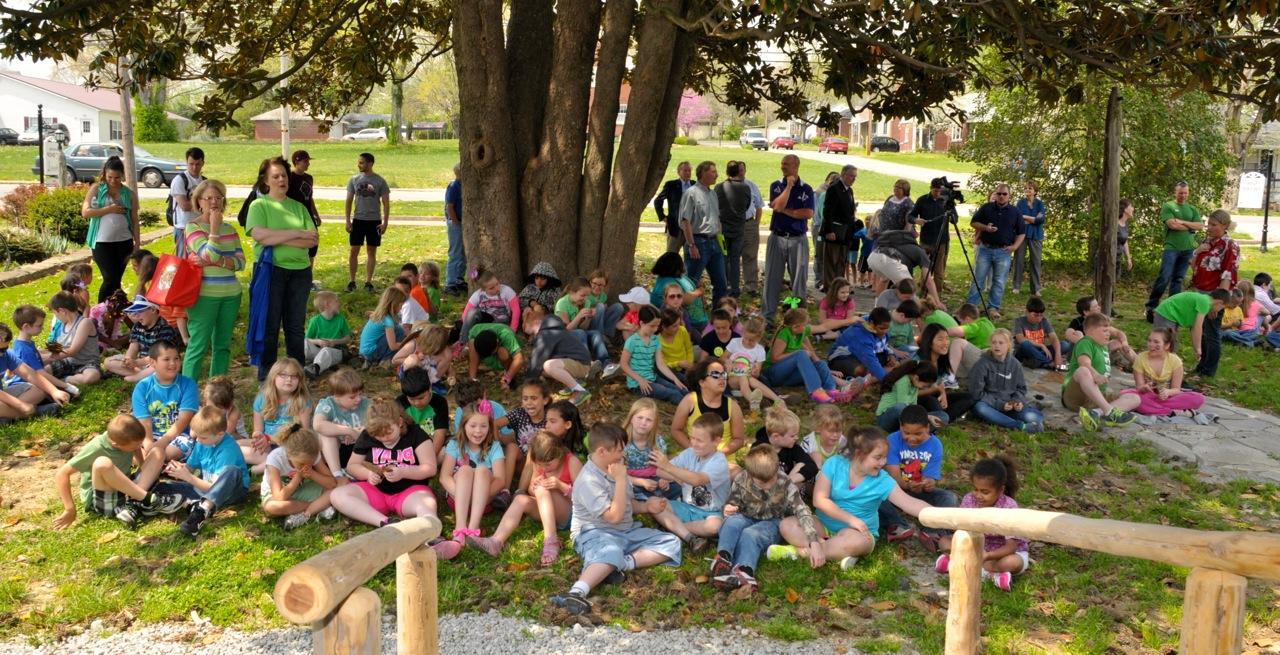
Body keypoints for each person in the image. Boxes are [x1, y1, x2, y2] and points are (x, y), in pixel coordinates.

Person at [549, 423, 681, 616]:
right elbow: (613, 516)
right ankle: (577, 592)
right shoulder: (588, 480)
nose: (623, 455)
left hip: (627, 530)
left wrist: (646, 506)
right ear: (602, 451)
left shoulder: (616, 468)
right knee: (610, 551)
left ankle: (624, 563)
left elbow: (625, 504)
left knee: (672, 542)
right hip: (595, 533)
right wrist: (621, 479)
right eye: (619, 450)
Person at [769, 426, 936, 569]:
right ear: (858, 454)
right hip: (824, 526)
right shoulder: (834, 464)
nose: (883, 462)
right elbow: (819, 500)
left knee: (856, 542)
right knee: (787, 525)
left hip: (858, 533)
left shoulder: (882, 480)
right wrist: (850, 519)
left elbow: (910, 503)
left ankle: (800, 552)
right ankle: (833, 551)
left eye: (884, 457)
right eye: (877, 457)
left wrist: (942, 514)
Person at [330, 397, 461, 560]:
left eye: (388, 432)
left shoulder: (416, 434)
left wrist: (404, 472)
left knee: (427, 503)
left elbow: (430, 468)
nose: (384, 438)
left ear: (399, 422)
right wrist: (368, 474)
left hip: (409, 492)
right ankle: (387, 523)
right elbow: (352, 466)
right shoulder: (368, 435)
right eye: (378, 436)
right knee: (337, 495)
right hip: (376, 492)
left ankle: (433, 537)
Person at [710, 443, 824, 592]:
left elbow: (802, 510)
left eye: (771, 479)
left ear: (777, 469)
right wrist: (729, 508)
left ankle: (744, 571)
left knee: (750, 534)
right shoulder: (741, 479)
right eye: (762, 483)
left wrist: (813, 542)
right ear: (750, 475)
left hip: (774, 522)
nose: (768, 486)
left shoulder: (785, 483)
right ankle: (723, 560)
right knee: (731, 523)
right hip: (746, 515)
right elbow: (732, 502)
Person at [246, 156, 319, 381]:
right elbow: (260, 235)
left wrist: (276, 237)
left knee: (295, 326)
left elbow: (312, 240)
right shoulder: (259, 205)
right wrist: (297, 233)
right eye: (275, 176)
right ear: (266, 181)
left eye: (284, 175)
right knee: (270, 323)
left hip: (300, 273)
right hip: (271, 272)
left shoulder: (298, 207)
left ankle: (294, 373)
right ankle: (267, 374)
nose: (281, 180)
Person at [467, 429, 582, 566]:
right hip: (550, 513)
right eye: (540, 465)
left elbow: (585, 497)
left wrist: (561, 486)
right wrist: (534, 486)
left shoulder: (571, 462)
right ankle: (496, 541)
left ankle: (551, 540)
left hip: (571, 513)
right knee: (520, 499)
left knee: (541, 488)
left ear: (560, 454)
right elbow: (531, 490)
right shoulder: (538, 461)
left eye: (548, 464)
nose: (544, 469)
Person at [52, 414, 185, 530]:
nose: (139, 447)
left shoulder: (126, 440)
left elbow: (138, 452)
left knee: (158, 452)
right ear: (116, 445)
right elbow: (62, 474)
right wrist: (70, 509)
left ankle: (135, 503)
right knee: (102, 463)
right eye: (135, 446)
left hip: (127, 490)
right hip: (104, 498)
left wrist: (145, 470)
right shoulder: (96, 447)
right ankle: (147, 499)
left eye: (140, 443)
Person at [182, 179, 245, 381]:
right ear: (199, 201)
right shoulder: (192, 228)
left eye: (218, 197)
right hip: (204, 296)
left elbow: (241, 262)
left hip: (231, 295)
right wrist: (214, 230)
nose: (214, 202)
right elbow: (209, 253)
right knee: (198, 346)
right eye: (208, 198)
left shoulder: (231, 229)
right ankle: (187, 396)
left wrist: (218, 261)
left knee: (222, 346)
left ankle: (217, 393)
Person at [935, 457, 1029, 592]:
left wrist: (987, 556)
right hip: (976, 548)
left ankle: (961, 566)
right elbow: (961, 530)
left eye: (985, 492)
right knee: (944, 541)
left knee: (1012, 562)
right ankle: (988, 573)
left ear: (1000, 490)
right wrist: (966, 548)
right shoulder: (969, 499)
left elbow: (1011, 546)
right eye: (975, 489)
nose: (978, 495)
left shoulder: (1009, 507)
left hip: (1002, 553)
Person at [878, 405, 957, 548]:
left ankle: (931, 531)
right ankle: (897, 524)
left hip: (918, 492)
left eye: (918, 433)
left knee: (949, 498)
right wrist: (907, 485)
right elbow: (893, 474)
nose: (912, 438)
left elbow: (930, 477)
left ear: (928, 427)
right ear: (900, 427)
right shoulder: (892, 440)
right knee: (874, 494)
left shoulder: (935, 445)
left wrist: (928, 483)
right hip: (894, 490)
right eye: (906, 433)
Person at [164, 406, 250, 537]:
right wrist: (177, 470)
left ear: (220, 434)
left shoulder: (228, 450)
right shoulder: (202, 443)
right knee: (164, 487)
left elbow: (214, 488)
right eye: (197, 436)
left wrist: (189, 478)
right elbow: (190, 468)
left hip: (230, 492)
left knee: (232, 471)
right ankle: (192, 504)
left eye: (203, 437)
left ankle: (201, 511)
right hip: (203, 488)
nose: (198, 440)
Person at [440, 401, 507, 544]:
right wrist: (464, 495)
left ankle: (473, 528)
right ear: (463, 426)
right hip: (457, 499)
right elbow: (444, 477)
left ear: (490, 427)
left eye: (483, 426)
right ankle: (460, 527)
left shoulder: (494, 447)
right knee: (465, 470)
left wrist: (480, 496)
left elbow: (501, 480)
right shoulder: (455, 445)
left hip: (484, 501)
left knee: (482, 470)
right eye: (473, 425)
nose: (478, 431)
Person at [763, 154, 816, 323]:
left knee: (799, 280)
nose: (782, 167)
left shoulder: (806, 189)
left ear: (796, 166)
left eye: (786, 164)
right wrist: (788, 187)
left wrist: (787, 211)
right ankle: (768, 318)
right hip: (777, 237)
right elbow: (777, 205)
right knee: (772, 278)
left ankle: (796, 318)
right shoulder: (776, 185)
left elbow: (808, 213)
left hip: (798, 239)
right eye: (782, 163)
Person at [1186, 209, 1239, 378]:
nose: (1209, 227)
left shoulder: (1230, 245)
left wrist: (1219, 301)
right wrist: (1199, 251)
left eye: (1214, 225)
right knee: (1199, 329)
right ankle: (1201, 365)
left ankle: (1209, 370)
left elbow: (1228, 274)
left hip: (1214, 295)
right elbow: (1193, 265)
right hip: (1200, 291)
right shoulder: (1208, 241)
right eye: (1209, 224)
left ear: (1224, 225)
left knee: (1211, 332)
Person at [1065, 314, 1141, 430]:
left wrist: (1123, 343)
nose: (1108, 334)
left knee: (1135, 398)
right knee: (1083, 371)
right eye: (1105, 331)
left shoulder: (1103, 346)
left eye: (1108, 331)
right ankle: (1109, 412)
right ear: (1091, 331)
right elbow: (1084, 363)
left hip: (1097, 398)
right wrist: (1095, 375)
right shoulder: (1086, 342)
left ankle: (1096, 413)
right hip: (1076, 396)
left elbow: (1119, 335)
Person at [82, 156, 140, 303]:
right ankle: (101, 311)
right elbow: (86, 212)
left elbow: (134, 219)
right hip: (102, 242)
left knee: (116, 279)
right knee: (110, 278)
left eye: (117, 177)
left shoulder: (129, 194)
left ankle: (114, 312)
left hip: (124, 242)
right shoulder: (96, 189)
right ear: (104, 174)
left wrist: (137, 243)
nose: (113, 181)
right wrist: (109, 209)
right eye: (110, 177)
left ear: (122, 176)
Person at [1145, 182, 1205, 323]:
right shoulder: (1168, 206)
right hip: (1171, 248)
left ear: (1188, 193)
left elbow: (1200, 226)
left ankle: (1172, 310)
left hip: (1187, 249)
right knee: (1164, 277)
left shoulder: (1192, 209)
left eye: (1185, 193)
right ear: (1175, 192)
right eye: (1180, 193)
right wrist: (1191, 227)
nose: (1183, 195)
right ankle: (1151, 307)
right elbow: (1172, 224)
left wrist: (1182, 222)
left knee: (1178, 279)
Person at [130, 340, 199, 460]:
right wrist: (148, 444)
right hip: (148, 434)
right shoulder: (142, 387)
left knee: (171, 452)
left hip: (177, 435)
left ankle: (151, 461)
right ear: (153, 362)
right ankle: (151, 460)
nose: (173, 363)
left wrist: (162, 443)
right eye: (166, 359)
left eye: (176, 358)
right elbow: (144, 422)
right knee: (124, 444)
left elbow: (184, 419)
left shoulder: (188, 384)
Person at [260, 425, 339, 530]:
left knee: (339, 485)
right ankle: (318, 507)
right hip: (278, 496)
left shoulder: (311, 453)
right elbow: (279, 497)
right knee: (271, 507)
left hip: (302, 490)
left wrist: (312, 473)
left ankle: (306, 513)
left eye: (310, 463)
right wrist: (297, 477)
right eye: (301, 464)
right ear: (289, 455)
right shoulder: (275, 458)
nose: (306, 466)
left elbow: (332, 483)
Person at [768, 308, 849, 404]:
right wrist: (797, 353)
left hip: (789, 377)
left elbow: (824, 327)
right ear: (795, 327)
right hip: (774, 375)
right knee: (801, 354)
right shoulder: (784, 334)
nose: (806, 327)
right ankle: (816, 391)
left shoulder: (801, 332)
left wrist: (849, 321)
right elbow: (775, 358)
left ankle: (831, 390)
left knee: (820, 363)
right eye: (805, 325)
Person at [969, 329, 1043, 432]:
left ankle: (1007, 418)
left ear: (1008, 345)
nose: (996, 346)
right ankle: (1020, 426)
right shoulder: (982, 364)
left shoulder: (1015, 364)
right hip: (990, 405)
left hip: (1010, 405)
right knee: (980, 408)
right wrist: (999, 405)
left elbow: (1021, 389)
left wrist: (1017, 401)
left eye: (1001, 343)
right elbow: (976, 393)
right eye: (994, 342)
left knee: (1034, 417)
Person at [245, 358, 313, 470]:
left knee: (289, 454)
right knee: (235, 444)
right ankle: (269, 462)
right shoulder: (262, 398)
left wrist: (270, 439)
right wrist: (258, 436)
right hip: (266, 443)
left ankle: (255, 470)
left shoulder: (302, 401)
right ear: (273, 377)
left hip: (289, 446)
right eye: (283, 375)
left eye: (294, 376)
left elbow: (303, 434)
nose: (289, 379)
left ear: (300, 380)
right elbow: (257, 429)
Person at [1120, 328, 1207, 416]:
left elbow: (1176, 389)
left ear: (1167, 345)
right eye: (1149, 341)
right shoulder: (1140, 358)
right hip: (1147, 397)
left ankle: (1156, 409)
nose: (1151, 345)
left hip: (1168, 398)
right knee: (1130, 396)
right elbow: (1139, 387)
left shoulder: (1175, 361)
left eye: (1156, 342)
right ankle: (1171, 412)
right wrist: (1145, 387)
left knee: (1198, 398)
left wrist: (1167, 392)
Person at [669, 359, 747, 455]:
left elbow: (739, 439)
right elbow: (676, 430)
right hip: (694, 457)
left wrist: (718, 455)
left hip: (723, 460)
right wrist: (694, 450)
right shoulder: (690, 400)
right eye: (715, 375)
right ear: (702, 382)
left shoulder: (733, 406)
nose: (722, 378)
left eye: (724, 375)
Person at [678, 160, 728, 306]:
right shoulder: (691, 193)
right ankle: (687, 316)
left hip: (715, 243)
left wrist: (722, 244)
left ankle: (718, 318)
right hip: (698, 243)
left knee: (721, 283)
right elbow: (685, 221)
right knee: (690, 283)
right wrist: (691, 244)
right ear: (703, 173)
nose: (716, 175)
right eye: (713, 171)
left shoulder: (712, 194)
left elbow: (717, 220)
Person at [103, 296, 179, 383]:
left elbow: (160, 355)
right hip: (140, 364)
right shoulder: (137, 326)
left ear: (153, 310)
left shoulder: (164, 328)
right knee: (108, 362)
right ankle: (141, 375)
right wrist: (128, 360)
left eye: (139, 312)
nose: (136, 316)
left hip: (156, 362)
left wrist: (137, 363)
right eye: (135, 313)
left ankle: (137, 376)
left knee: (161, 365)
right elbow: (133, 347)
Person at [620, 306, 687, 404]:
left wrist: (675, 379)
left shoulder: (655, 340)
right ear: (642, 323)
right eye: (652, 326)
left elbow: (661, 364)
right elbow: (623, 364)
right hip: (638, 384)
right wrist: (640, 380)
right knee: (673, 394)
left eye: (657, 326)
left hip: (653, 378)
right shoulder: (632, 341)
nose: (655, 329)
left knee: (681, 389)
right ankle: (690, 411)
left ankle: (699, 407)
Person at [312, 367, 370, 479]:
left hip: (359, 452)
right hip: (335, 453)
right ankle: (337, 475)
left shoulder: (365, 403)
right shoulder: (328, 404)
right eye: (352, 397)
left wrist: (360, 431)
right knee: (326, 435)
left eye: (360, 394)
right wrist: (348, 431)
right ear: (336, 396)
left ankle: (355, 472)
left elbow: (379, 421)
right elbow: (318, 424)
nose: (358, 399)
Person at [1152, 289, 1230, 373]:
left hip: (1169, 316)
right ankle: (1159, 370)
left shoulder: (1205, 301)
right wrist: (1199, 348)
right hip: (1166, 314)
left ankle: (1166, 371)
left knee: (1171, 345)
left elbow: (1193, 328)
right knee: (1166, 345)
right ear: (1220, 302)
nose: (1218, 311)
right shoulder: (1205, 302)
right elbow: (1198, 327)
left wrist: (1196, 349)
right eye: (1222, 308)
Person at [526, 311, 595, 406]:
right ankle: (574, 381)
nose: (533, 336)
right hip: (575, 362)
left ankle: (579, 390)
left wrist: (528, 384)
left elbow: (537, 359)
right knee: (542, 367)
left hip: (581, 364)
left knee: (548, 366)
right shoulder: (553, 330)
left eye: (532, 332)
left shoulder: (546, 333)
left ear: (536, 322)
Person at [344, 152, 391, 293]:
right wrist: (347, 220)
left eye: (362, 162)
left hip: (374, 221)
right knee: (354, 251)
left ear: (370, 163)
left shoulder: (380, 181)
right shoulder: (354, 180)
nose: (359, 165)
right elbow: (348, 201)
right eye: (359, 162)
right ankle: (352, 281)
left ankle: (368, 282)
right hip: (358, 220)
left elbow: (386, 203)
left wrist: (385, 223)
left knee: (371, 251)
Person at [749, 405, 819, 497]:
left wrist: (789, 480)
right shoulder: (759, 449)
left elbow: (812, 466)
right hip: (764, 489)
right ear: (776, 436)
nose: (796, 438)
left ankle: (788, 501)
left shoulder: (793, 447)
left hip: (785, 487)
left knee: (801, 464)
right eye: (792, 436)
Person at [724, 316, 786, 412]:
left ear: (759, 337)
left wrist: (755, 371)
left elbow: (757, 374)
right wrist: (727, 362)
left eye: (752, 340)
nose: (748, 342)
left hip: (748, 379)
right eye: (746, 338)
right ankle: (752, 400)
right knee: (743, 377)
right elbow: (722, 358)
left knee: (750, 379)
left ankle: (778, 400)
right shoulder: (735, 342)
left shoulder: (760, 350)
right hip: (732, 379)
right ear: (743, 333)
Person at [42, 293, 100, 388]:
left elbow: (72, 351)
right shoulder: (63, 325)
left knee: (91, 376)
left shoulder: (84, 323)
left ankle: (65, 380)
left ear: (62, 311)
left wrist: (49, 358)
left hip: (87, 363)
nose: (55, 316)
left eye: (55, 313)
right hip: (67, 362)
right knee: (44, 370)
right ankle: (65, 379)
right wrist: (40, 353)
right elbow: (58, 348)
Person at [875, 360, 948, 432]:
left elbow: (913, 407)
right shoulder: (903, 381)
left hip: (903, 419)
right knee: (900, 407)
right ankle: (915, 431)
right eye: (925, 385)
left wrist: (924, 417)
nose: (925, 388)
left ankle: (915, 431)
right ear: (916, 378)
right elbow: (905, 409)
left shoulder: (914, 385)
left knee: (943, 416)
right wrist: (926, 417)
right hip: (886, 420)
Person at [715, 161, 754, 298]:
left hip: (723, 229)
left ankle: (724, 285)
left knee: (723, 258)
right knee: (735, 259)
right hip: (738, 229)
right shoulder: (745, 188)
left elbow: (716, 206)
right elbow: (747, 205)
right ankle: (735, 288)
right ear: (739, 171)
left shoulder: (719, 187)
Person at [910, 178, 952, 294]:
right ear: (930, 188)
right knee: (925, 269)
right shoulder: (922, 200)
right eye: (935, 191)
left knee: (939, 271)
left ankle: (936, 295)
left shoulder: (946, 201)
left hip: (941, 240)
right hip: (926, 240)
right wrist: (917, 220)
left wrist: (951, 213)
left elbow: (955, 219)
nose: (937, 193)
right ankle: (923, 292)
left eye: (939, 191)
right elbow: (911, 216)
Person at [820, 165, 858, 292]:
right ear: (843, 174)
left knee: (842, 261)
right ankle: (830, 287)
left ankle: (839, 287)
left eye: (855, 177)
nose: (853, 179)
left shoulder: (849, 190)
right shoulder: (834, 189)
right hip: (835, 231)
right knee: (832, 260)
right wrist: (829, 230)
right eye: (851, 176)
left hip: (846, 232)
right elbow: (827, 211)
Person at [459, 269, 521, 343]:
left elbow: (516, 310)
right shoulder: (478, 295)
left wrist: (512, 330)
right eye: (492, 288)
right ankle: (462, 342)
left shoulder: (507, 291)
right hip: (485, 321)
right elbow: (466, 314)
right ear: (483, 290)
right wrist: (466, 326)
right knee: (472, 312)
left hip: (501, 323)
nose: (497, 288)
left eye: (497, 284)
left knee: (488, 338)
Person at [622, 398, 668, 497]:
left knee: (676, 485)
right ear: (631, 419)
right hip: (628, 479)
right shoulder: (621, 442)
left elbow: (664, 467)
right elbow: (613, 473)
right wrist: (641, 482)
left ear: (654, 423)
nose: (643, 423)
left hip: (652, 478)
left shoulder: (658, 442)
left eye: (649, 420)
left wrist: (663, 479)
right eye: (640, 417)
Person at [288, 150, 322, 277]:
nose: (308, 164)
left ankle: (308, 276)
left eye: (308, 161)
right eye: (305, 161)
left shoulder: (309, 178)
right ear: (297, 162)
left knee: (313, 244)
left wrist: (316, 215)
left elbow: (310, 197)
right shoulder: (290, 178)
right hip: (295, 217)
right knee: (299, 245)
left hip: (308, 216)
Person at [303, 291, 353, 378]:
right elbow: (308, 339)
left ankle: (315, 369)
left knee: (326, 351)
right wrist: (318, 341)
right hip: (319, 350)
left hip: (336, 351)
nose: (339, 303)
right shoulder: (315, 321)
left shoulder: (340, 319)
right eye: (336, 301)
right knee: (304, 342)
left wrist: (335, 342)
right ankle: (300, 363)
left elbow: (347, 338)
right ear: (327, 304)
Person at [169, 147, 205, 258]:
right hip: (182, 227)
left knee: (199, 258)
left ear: (203, 163)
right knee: (182, 261)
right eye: (191, 164)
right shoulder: (179, 180)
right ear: (186, 162)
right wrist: (203, 204)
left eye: (198, 164)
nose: (194, 167)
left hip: (200, 226)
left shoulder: (205, 181)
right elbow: (184, 206)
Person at [1012, 181, 1046, 296]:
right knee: (1019, 260)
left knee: (1036, 262)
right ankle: (1016, 286)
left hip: (1036, 235)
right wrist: (1032, 219)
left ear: (1035, 191)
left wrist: (1026, 217)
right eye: (1026, 188)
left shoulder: (1040, 204)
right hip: (1021, 235)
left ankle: (1035, 289)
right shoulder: (1020, 203)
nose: (1027, 190)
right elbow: (1017, 218)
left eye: (1030, 188)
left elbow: (1040, 220)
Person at [1013, 296, 1064, 370]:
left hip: (1040, 352)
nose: (1039, 318)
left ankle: (1036, 362)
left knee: (1064, 345)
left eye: (1041, 315)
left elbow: (1054, 338)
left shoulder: (1044, 321)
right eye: (1035, 315)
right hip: (1024, 352)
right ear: (1027, 312)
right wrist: (1041, 345)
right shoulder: (1019, 321)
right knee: (1025, 344)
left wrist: (1058, 355)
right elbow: (1020, 339)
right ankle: (1049, 362)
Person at [739, 160, 766, 296]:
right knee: (732, 256)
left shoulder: (752, 186)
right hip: (733, 225)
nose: (740, 172)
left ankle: (751, 287)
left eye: (742, 169)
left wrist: (756, 223)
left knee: (750, 255)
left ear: (745, 170)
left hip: (750, 224)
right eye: (738, 169)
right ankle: (732, 285)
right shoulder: (725, 186)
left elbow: (759, 206)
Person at [654, 161, 693, 253]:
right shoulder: (671, 185)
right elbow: (658, 201)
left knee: (691, 257)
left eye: (689, 171)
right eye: (685, 170)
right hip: (675, 227)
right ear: (679, 172)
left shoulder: (695, 185)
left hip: (692, 227)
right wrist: (663, 217)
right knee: (671, 254)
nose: (688, 173)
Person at [444, 164, 467, 296]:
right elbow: (450, 206)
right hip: (455, 223)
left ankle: (459, 279)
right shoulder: (454, 186)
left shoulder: (465, 186)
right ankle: (450, 282)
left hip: (463, 222)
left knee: (464, 253)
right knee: (455, 252)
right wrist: (456, 222)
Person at [1116, 198, 1134, 282]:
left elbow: (1125, 241)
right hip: (1107, 259)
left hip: (1117, 259)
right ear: (1125, 209)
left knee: (1113, 284)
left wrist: (1128, 258)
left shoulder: (1125, 224)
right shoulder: (1114, 224)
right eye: (1131, 206)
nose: (1133, 209)